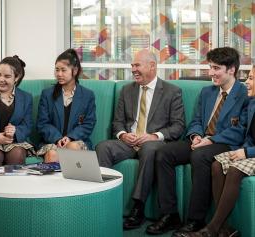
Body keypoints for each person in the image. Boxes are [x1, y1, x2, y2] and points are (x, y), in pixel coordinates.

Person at [146, 47, 249, 236]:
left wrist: (210, 141)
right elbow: (196, 121)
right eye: (210, 67)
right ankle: (169, 215)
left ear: (231, 69)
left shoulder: (244, 93)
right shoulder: (207, 92)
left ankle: (195, 220)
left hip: (225, 143)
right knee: (163, 153)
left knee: (200, 156)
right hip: (201, 140)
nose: (211, 73)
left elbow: (240, 130)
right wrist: (195, 136)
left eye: (216, 68)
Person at [96, 48, 185, 230]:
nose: (133, 69)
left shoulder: (172, 91)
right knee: (103, 147)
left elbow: (178, 126)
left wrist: (153, 136)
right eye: (132, 65)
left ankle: (138, 207)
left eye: (137, 65)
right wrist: (123, 134)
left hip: (153, 144)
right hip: (128, 143)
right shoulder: (126, 90)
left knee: (150, 148)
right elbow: (118, 122)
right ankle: (103, 201)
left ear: (152, 66)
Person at [184, 65, 255, 237]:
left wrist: (246, 153)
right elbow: (246, 132)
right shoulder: (252, 103)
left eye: (252, 78)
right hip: (249, 150)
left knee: (234, 169)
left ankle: (212, 229)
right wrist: (243, 149)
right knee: (216, 165)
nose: (247, 82)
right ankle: (224, 229)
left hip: (252, 154)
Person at [36, 49, 96, 162]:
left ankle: (72, 179)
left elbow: (88, 124)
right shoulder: (47, 94)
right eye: (57, 70)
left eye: (63, 70)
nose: (59, 74)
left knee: (72, 147)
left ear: (75, 71)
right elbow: (42, 124)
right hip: (52, 141)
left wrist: (70, 138)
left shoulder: (88, 95)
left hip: (77, 141)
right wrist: (58, 138)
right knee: (52, 154)